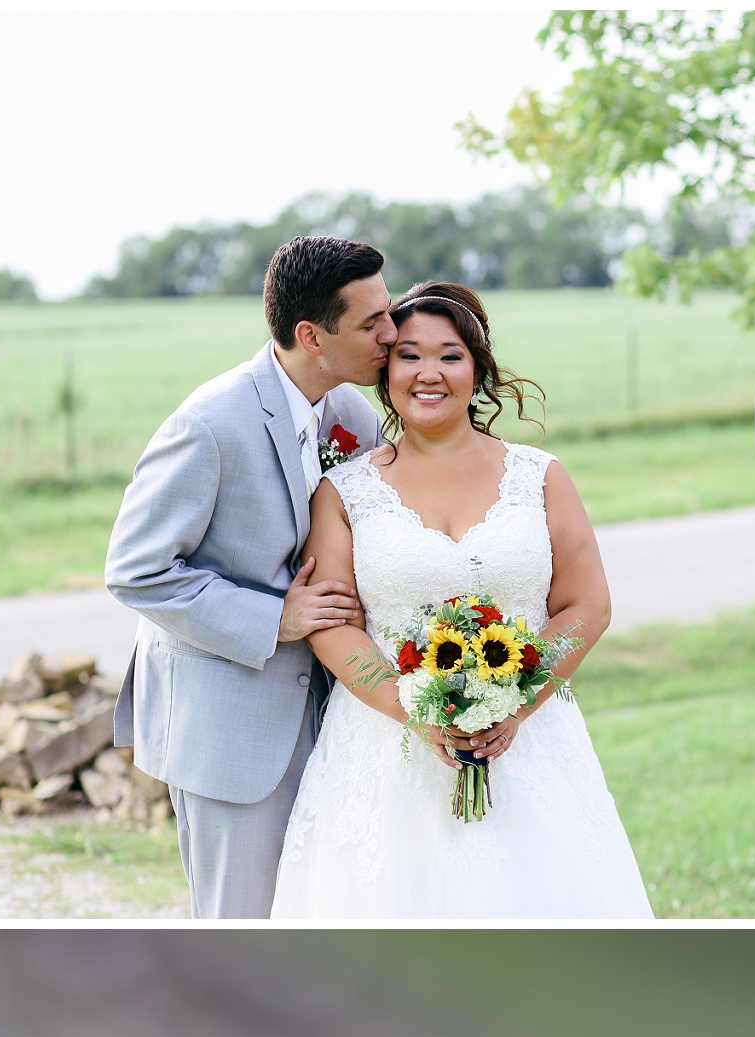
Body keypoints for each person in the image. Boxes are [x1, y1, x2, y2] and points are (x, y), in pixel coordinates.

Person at [270, 282, 651, 917]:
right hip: (384, 747)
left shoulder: (540, 477)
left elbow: (588, 606)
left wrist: (517, 702)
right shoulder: (344, 491)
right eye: (409, 354)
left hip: (529, 746)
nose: (428, 373)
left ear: (477, 369)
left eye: (449, 355)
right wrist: (418, 712)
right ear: (385, 369)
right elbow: (334, 624)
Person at [108, 237, 392, 917]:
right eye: (371, 322)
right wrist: (277, 619)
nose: (392, 332)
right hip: (231, 728)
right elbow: (137, 571)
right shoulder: (211, 424)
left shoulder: (352, 416)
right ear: (311, 336)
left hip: (335, 719)